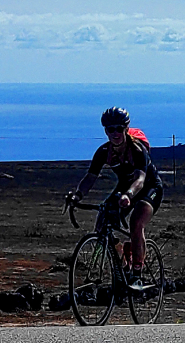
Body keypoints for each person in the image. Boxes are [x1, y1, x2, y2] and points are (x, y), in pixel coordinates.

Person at [68, 107, 162, 277]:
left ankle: (137, 272)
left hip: (149, 187)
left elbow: (140, 180)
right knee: (102, 225)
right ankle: (123, 264)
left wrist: (128, 195)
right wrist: (77, 195)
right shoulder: (104, 152)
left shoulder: (137, 150)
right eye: (111, 129)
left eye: (119, 128)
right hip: (125, 188)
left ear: (126, 129)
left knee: (136, 222)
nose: (115, 133)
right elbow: (90, 177)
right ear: (105, 131)